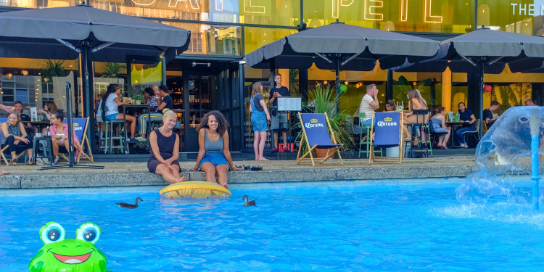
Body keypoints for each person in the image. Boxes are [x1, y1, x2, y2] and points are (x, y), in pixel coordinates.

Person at [190, 111, 242, 189]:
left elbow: (226, 151)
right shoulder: (203, 131)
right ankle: (213, 189)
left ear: (219, 122)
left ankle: (223, 187)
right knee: (210, 169)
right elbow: (202, 150)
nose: (213, 123)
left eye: (216, 121)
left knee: (222, 169)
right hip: (207, 158)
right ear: (207, 123)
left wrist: (232, 166)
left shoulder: (224, 132)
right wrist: (196, 167)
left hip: (220, 157)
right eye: (211, 121)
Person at [148, 109, 185, 184]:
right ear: (164, 120)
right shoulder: (154, 133)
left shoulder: (175, 136)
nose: (172, 123)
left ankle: (180, 187)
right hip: (156, 159)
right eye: (170, 120)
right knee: (165, 168)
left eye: (174, 121)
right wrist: (165, 162)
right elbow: (156, 153)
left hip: (170, 159)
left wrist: (170, 160)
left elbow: (175, 155)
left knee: (174, 169)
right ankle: (176, 181)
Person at [268, 74, 290, 152]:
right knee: (275, 130)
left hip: (283, 111)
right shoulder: (272, 90)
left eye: (280, 78)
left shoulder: (285, 89)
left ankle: (285, 146)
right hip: (275, 110)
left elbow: (288, 100)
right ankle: (275, 146)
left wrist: (280, 96)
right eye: (278, 78)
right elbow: (269, 102)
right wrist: (274, 97)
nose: (279, 79)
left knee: (284, 129)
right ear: (275, 80)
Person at [250, 82, 271, 161]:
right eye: (261, 85)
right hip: (260, 117)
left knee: (256, 138)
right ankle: (261, 156)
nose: (262, 87)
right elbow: (263, 105)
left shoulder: (252, 97)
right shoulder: (259, 95)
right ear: (258, 87)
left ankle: (256, 156)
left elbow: (250, 109)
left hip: (253, 117)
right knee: (263, 137)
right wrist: (267, 114)